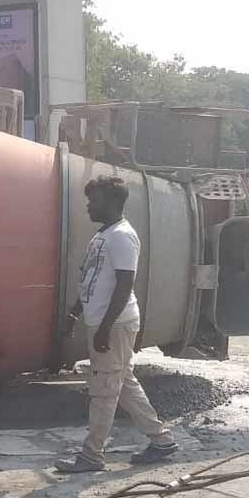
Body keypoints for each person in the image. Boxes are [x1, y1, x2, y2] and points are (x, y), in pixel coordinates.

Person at [55, 175, 177, 473]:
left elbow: (125, 284)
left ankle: (91, 455)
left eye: (93, 200)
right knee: (121, 383)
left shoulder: (123, 236)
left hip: (116, 324)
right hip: (103, 323)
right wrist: (74, 314)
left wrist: (106, 327)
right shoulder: (103, 235)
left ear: (111, 202)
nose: (88, 206)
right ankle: (161, 439)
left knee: (104, 390)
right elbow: (90, 280)